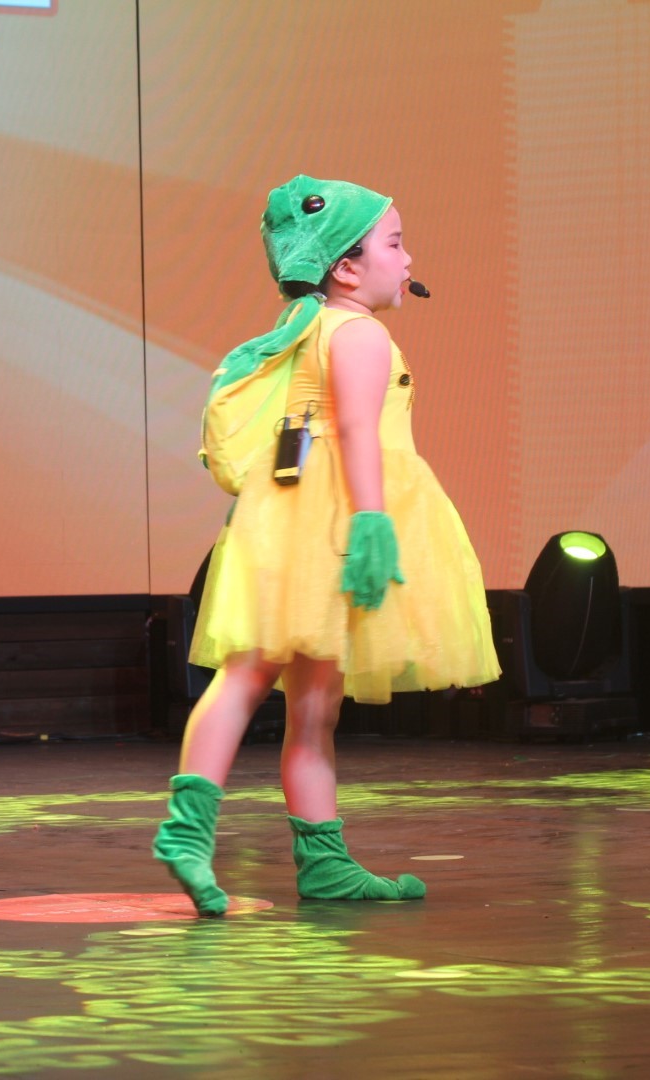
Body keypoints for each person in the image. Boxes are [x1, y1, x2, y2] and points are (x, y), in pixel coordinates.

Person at [153, 176, 500, 916]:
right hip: (332, 517)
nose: (408, 259)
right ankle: (187, 834)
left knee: (303, 700)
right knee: (272, 686)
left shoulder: (308, 327)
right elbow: (354, 429)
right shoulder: (360, 333)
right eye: (395, 244)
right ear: (346, 267)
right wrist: (371, 520)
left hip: (291, 512)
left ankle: (323, 862)